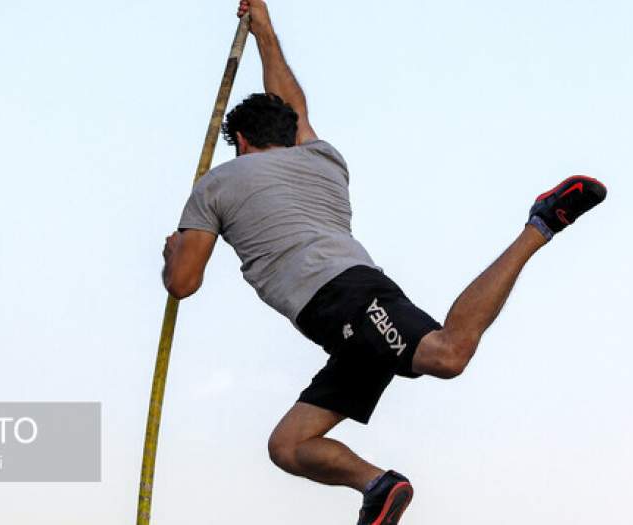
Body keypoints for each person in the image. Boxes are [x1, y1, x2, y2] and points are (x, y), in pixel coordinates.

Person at [161, 1, 607, 523]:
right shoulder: (321, 157)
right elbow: (293, 104)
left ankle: (542, 223)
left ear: (239, 141)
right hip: (341, 322)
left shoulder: (215, 184)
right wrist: (265, 28)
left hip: (345, 298)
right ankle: (379, 487)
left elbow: (184, 282)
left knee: (447, 355)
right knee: (288, 445)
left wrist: (172, 253)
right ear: (288, 130)